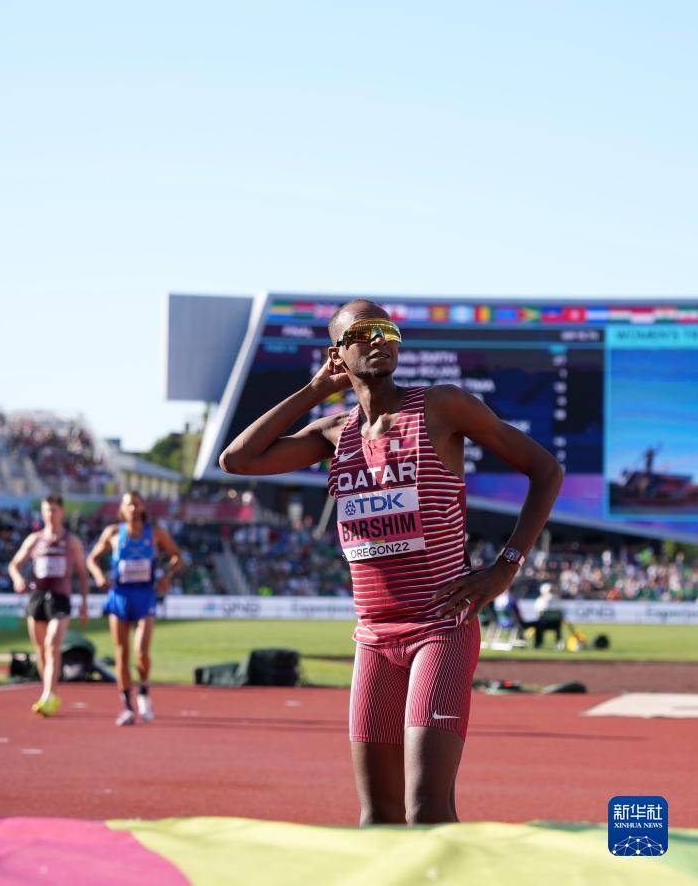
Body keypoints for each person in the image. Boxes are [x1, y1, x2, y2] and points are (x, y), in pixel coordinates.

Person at [220, 298, 563, 824]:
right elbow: (237, 460)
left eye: (388, 329)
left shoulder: (442, 406)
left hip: (440, 628)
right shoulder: (335, 434)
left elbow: (546, 470)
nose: (381, 338)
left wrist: (504, 567)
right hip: (374, 636)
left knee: (426, 809)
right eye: (364, 332)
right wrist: (314, 391)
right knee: (377, 815)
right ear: (336, 353)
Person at [87, 491, 183, 726]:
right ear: (121, 508)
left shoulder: (155, 533)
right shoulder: (112, 533)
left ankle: (144, 692)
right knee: (121, 653)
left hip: (144, 595)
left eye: (136, 503)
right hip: (119, 595)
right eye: (128, 504)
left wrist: (167, 576)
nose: (132, 507)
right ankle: (127, 707)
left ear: (142, 508)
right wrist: (99, 575)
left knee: (141, 652)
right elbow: (91, 559)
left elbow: (177, 557)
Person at [8, 493, 89, 716]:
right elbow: (14, 564)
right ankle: (48, 690)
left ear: (61, 511)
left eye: (53, 510)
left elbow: (82, 574)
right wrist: (17, 579)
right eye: (45, 510)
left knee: (53, 643)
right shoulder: (35, 540)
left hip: (60, 598)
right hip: (37, 598)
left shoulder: (71, 541)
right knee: (42, 650)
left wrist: (84, 603)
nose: (49, 514)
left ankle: (48, 695)